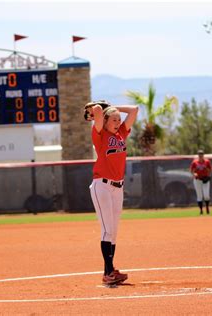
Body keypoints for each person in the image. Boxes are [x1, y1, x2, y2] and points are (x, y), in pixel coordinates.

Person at [85, 100, 138, 286]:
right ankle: (108, 272)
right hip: (102, 186)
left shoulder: (122, 133)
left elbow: (134, 110)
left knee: (113, 231)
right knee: (107, 229)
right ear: (105, 122)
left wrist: (115, 106)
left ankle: (110, 270)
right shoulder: (100, 136)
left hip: (118, 187)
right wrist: (101, 110)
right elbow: (98, 110)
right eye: (114, 119)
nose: (118, 122)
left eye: (118, 119)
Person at [189, 149, 212, 215]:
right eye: (199, 155)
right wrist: (194, 174)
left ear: (203, 155)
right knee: (199, 195)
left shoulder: (207, 162)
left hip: (205, 179)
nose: (200, 156)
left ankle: (207, 208)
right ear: (198, 155)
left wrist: (207, 172)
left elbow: (210, 169)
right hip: (197, 180)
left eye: (201, 154)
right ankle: (201, 210)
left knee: (206, 195)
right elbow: (191, 170)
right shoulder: (195, 162)